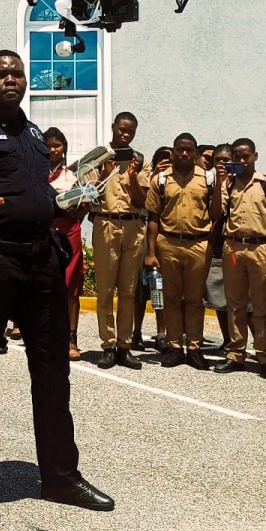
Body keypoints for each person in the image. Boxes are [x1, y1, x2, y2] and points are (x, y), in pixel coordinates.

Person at [0, 50, 113, 526]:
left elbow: (38, 193)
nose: (11, 79)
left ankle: (59, 475)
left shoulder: (35, 134)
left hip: (41, 262)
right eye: (1, 74)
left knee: (53, 371)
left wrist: (67, 203)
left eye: (17, 73)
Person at [210, 137, 266, 379]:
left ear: (255, 156)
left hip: (261, 247)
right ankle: (236, 353)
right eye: (236, 157)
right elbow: (216, 213)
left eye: (245, 156)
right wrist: (221, 181)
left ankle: (265, 355)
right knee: (235, 304)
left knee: (262, 305)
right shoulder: (228, 184)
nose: (241, 160)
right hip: (233, 247)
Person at [145, 132, 214, 369]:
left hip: (198, 243)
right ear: (173, 152)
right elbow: (153, 217)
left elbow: (215, 215)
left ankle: (194, 347)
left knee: (195, 298)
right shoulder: (161, 180)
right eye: (179, 149)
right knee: (171, 297)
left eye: (189, 150)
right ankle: (175, 346)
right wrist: (151, 252)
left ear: (195, 153)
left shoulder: (208, 179)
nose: (184, 153)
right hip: (168, 242)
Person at [87, 112, 148, 370]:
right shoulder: (97, 157)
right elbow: (89, 195)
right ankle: (108, 345)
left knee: (129, 290)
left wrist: (132, 175)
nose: (125, 134)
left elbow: (141, 201)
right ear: (113, 127)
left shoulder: (140, 161)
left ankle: (125, 345)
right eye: (122, 129)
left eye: (130, 131)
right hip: (106, 223)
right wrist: (105, 173)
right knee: (105, 289)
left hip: (133, 225)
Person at [44, 127, 89, 362]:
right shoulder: (35, 173)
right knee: (44, 285)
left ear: (64, 148)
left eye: (57, 146)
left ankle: (71, 339)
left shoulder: (72, 176)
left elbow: (84, 207)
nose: (53, 150)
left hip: (69, 232)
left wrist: (78, 208)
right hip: (43, 232)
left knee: (70, 286)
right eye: (49, 145)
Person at [136, 146, 173, 351]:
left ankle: (162, 333)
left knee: (160, 288)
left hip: (163, 239)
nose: (167, 165)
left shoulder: (174, 181)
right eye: (162, 160)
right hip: (140, 235)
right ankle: (136, 332)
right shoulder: (148, 178)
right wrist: (154, 177)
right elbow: (142, 202)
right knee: (138, 291)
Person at [205, 143, 234, 346]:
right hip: (217, 244)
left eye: (226, 160)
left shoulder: (242, 180)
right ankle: (227, 339)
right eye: (218, 161)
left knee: (244, 300)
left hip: (237, 244)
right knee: (219, 298)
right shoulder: (207, 182)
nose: (222, 164)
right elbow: (214, 213)